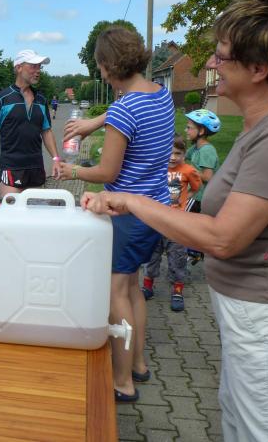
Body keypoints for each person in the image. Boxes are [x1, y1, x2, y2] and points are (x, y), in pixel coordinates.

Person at [82, 0, 268, 441]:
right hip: (258, 314)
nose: (212, 65)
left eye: (222, 57)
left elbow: (223, 237)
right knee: (241, 423)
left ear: (258, 69)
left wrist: (132, 201)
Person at [55, 27, 175, 403]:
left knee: (115, 294)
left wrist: (73, 171)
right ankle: (138, 364)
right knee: (133, 288)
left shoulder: (124, 109)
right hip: (156, 209)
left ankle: (122, 382)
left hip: (127, 214)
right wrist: (96, 122)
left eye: (100, 65)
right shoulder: (161, 94)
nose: (100, 72)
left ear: (108, 65)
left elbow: (107, 171)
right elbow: (129, 107)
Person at [0, 50, 60, 197]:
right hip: (11, 169)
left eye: (39, 67)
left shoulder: (41, 99)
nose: (38, 71)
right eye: (33, 66)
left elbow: (46, 131)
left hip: (36, 168)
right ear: (18, 67)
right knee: (11, 211)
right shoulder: (2, 99)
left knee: (35, 211)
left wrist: (56, 159)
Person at [141, 134, 201, 311]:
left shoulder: (188, 171)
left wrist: (184, 199)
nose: (173, 157)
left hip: (176, 224)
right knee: (152, 254)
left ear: (184, 154)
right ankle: (147, 286)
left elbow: (196, 187)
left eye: (178, 153)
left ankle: (177, 290)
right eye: (169, 152)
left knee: (178, 257)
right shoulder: (157, 168)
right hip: (156, 221)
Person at [184, 109, 220, 213]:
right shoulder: (196, 147)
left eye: (189, 128)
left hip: (198, 197)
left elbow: (208, 177)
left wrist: (188, 170)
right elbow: (182, 156)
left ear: (201, 131)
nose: (186, 130)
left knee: (179, 215)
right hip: (193, 193)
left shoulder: (206, 150)